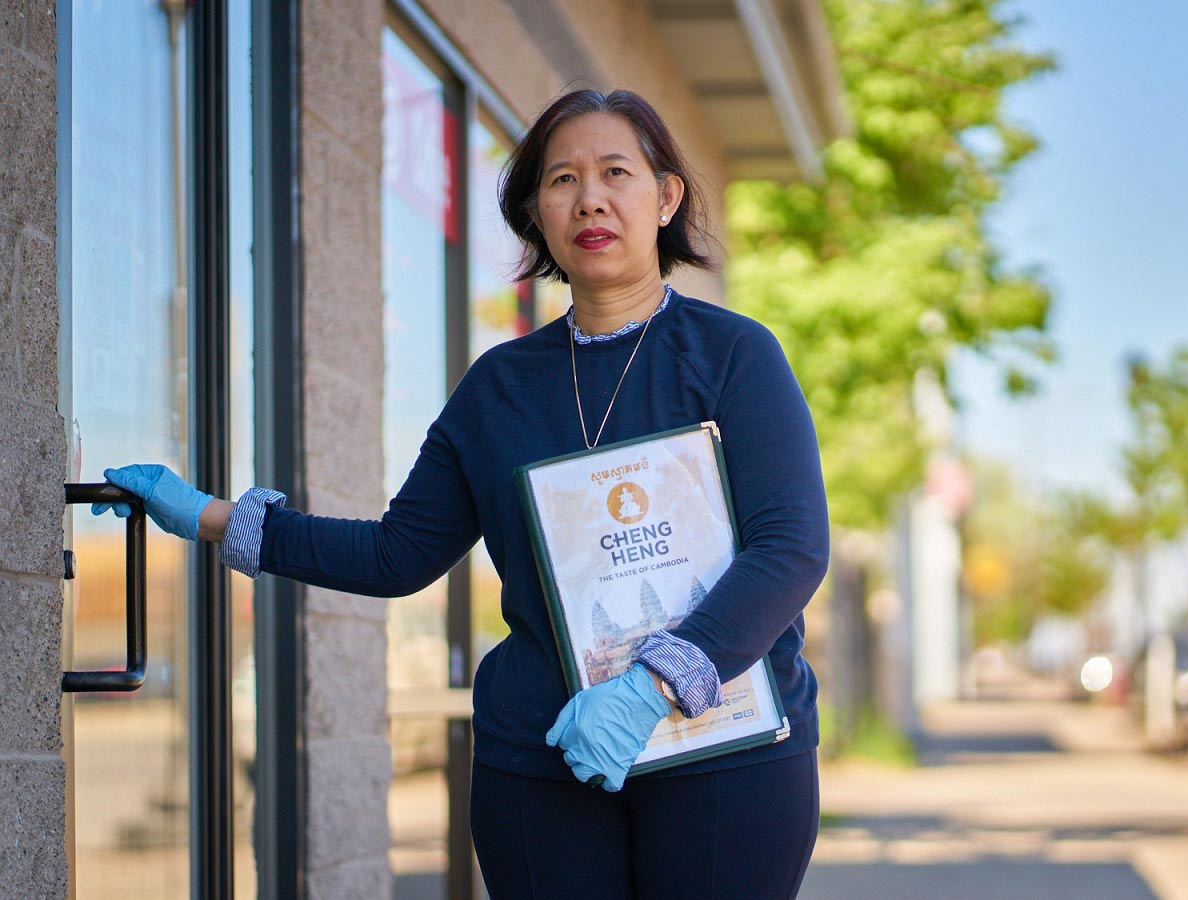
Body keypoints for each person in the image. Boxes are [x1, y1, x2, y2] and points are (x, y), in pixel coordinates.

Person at [96, 88, 829, 899]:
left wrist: (651, 687)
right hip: (544, 761)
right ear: (535, 214)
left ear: (665, 197)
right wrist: (208, 516)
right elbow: (396, 554)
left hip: (724, 751)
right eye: (561, 180)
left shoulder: (734, 355)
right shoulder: (500, 387)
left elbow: (789, 545)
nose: (589, 197)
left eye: (615, 172)